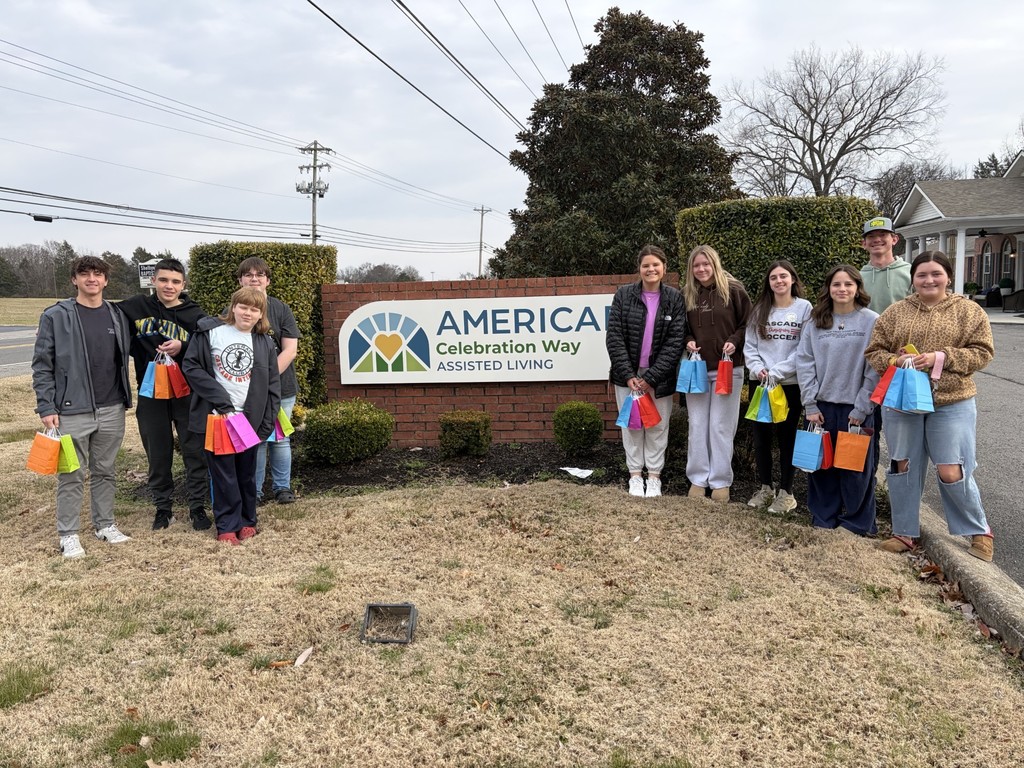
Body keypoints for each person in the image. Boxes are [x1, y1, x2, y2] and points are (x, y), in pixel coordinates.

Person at [865, 251, 995, 562]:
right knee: (903, 464)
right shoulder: (896, 312)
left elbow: (983, 352)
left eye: (936, 273)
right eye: (922, 275)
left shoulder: (968, 311)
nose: (929, 280)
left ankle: (978, 529)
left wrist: (942, 357)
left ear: (948, 276)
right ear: (913, 279)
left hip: (952, 400)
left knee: (952, 467)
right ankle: (904, 531)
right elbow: (874, 351)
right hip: (903, 401)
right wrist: (896, 361)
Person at [32, 256, 133, 558]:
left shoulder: (116, 314)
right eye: (85, 273)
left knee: (105, 470)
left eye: (98, 274)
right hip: (71, 409)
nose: (92, 279)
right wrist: (46, 406)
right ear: (74, 279)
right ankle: (69, 534)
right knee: (72, 474)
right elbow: (42, 365)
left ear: (106, 280)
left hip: (112, 407)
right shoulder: (56, 316)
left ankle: (105, 525)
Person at [115, 258, 211, 531]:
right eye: (164, 280)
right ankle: (163, 508)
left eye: (175, 281)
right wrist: (54, 316)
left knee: (195, 451)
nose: (169, 286)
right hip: (151, 392)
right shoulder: (136, 307)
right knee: (157, 453)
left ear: (183, 285)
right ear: (153, 280)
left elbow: (208, 349)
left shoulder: (196, 315)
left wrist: (184, 346)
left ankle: (197, 507)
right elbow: (95, 309)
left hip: (187, 392)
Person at [182, 287, 281, 545]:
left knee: (247, 473)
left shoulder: (264, 342)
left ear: (261, 314)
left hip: (249, 419)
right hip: (219, 417)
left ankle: (247, 521)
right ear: (233, 307)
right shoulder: (209, 333)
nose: (248, 313)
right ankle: (227, 525)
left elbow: (272, 383)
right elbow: (191, 367)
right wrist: (221, 401)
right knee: (223, 474)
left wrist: (267, 420)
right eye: (243, 307)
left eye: (254, 309)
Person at [795, 264, 880, 535]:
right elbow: (804, 362)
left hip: (856, 409)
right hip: (821, 408)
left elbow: (875, 368)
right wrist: (810, 404)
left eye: (848, 284)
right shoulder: (815, 322)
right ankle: (823, 518)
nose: (842, 289)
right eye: (836, 284)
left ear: (857, 288)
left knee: (856, 470)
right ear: (828, 289)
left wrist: (862, 407)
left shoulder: (871, 321)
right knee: (822, 466)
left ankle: (856, 523)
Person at [605, 245, 687, 497]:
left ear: (664, 267)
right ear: (639, 269)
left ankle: (653, 476)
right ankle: (634, 475)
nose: (651, 269)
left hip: (659, 378)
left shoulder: (674, 298)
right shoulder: (623, 295)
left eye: (655, 264)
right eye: (646, 265)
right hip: (627, 376)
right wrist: (629, 375)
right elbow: (614, 337)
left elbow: (675, 342)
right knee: (632, 426)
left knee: (657, 427)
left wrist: (651, 377)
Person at [682, 245, 752, 503]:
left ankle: (721, 481)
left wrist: (734, 340)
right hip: (697, 368)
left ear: (715, 264)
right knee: (698, 424)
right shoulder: (687, 294)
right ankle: (698, 479)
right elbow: (682, 328)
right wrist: (688, 340)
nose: (701, 269)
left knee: (721, 426)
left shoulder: (734, 290)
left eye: (706, 264)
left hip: (728, 368)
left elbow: (748, 324)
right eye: (696, 265)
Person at [743, 260, 812, 514]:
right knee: (761, 438)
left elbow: (804, 348)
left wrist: (777, 372)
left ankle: (787, 493)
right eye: (774, 277)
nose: (779, 281)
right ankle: (765, 488)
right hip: (761, 383)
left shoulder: (804, 308)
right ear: (768, 282)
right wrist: (758, 369)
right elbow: (750, 346)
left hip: (788, 383)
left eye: (783, 276)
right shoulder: (759, 309)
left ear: (793, 279)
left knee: (787, 438)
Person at [236, 258, 300, 505]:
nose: (254, 279)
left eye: (260, 274)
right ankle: (255, 491)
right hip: (244, 390)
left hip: (280, 388)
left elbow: (290, 350)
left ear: (267, 281)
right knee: (256, 441)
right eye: (248, 274)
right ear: (240, 280)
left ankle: (282, 488)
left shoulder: (281, 309)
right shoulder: (234, 309)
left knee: (280, 439)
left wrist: (266, 381)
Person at [860, 216, 912, 476]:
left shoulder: (911, 273)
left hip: (901, 364)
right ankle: (871, 481)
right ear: (864, 243)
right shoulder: (857, 277)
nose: (877, 240)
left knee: (901, 430)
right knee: (869, 424)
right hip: (868, 363)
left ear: (894, 239)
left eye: (882, 235)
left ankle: (902, 485)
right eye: (871, 237)